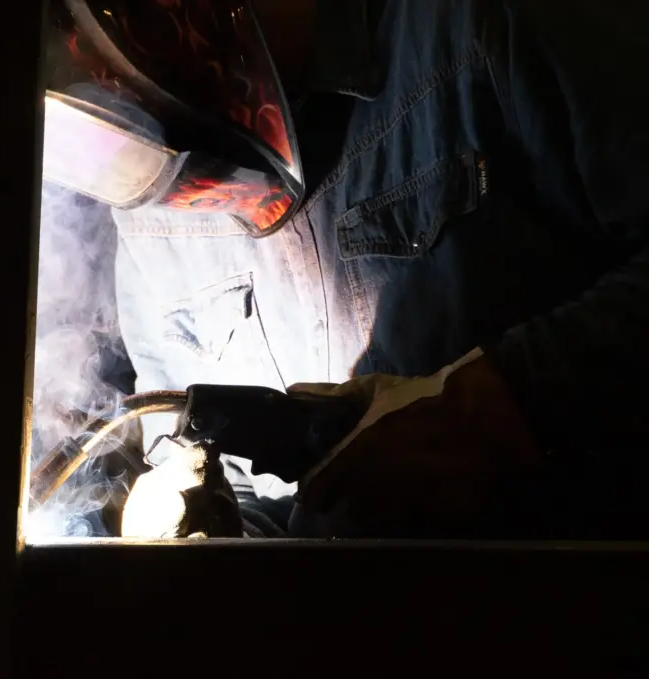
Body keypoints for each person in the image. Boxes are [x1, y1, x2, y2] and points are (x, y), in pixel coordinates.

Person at [42, 0, 649, 539]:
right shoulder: (152, 217)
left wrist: (483, 410)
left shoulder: (489, 25)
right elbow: (243, 495)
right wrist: (209, 527)